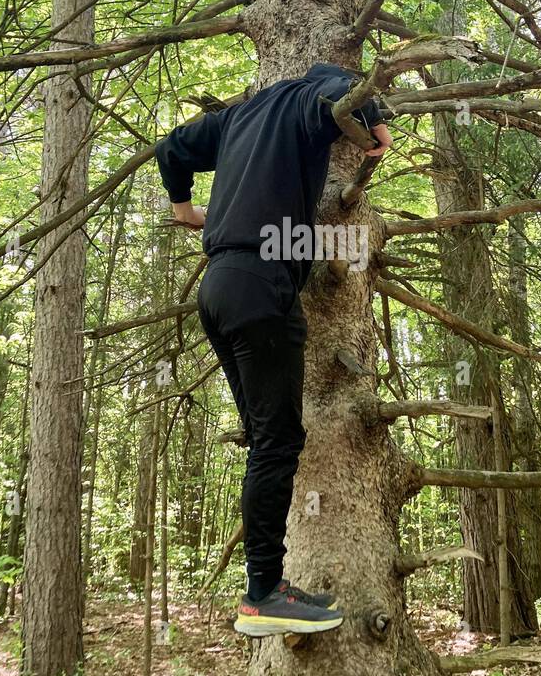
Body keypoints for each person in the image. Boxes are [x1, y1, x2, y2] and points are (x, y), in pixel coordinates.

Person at [155, 62, 392, 636]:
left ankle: (264, 589)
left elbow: (171, 148)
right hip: (262, 288)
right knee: (277, 442)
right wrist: (377, 127)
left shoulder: (236, 118)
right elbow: (344, 90)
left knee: (266, 439)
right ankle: (263, 593)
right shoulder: (307, 100)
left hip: (218, 287)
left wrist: (184, 209)